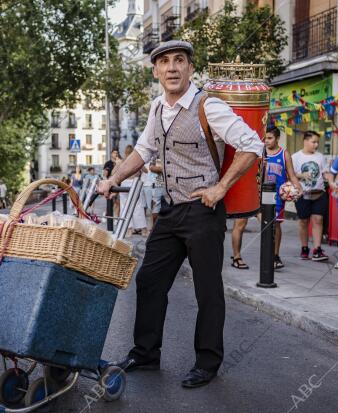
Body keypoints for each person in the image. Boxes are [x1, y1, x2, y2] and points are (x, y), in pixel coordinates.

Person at [98, 40, 263, 388]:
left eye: (179, 61)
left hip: (204, 211)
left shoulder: (208, 107)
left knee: (207, 290)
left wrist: (220, 188)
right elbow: (142, 152)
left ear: (190, 68)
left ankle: (208, 362)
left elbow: (253, 144)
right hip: (171, 211)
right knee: (149, 280)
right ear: (155, 71)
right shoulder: (157, 108)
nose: (172, 68)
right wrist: (112, 178)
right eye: (164, 62)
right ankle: (145, 352)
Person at [230, 127, 302, 270]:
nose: (266, 141)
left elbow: (292, 174)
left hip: (274, 196)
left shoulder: (284, 154)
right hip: (252, 194)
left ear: (277, 138)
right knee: (240, 224)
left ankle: (275, 256)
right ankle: (236, 257)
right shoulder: (256, 153)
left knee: (274, 226)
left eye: (270, 138)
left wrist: (297, 187)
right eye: (265, 138)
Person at [292, 131, 330, 261]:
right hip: (302, 194)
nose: (316, 145)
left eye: (317, 142)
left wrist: (331, 180)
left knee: (318, 220)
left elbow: (325, 173)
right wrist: (302, 175)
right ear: (305, 141)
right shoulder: (295, 157)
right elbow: (291, 174)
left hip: (319, 193)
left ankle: (317, 249)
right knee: (303, 221)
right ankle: (304, 248)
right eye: (313, 142)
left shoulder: (320, 157)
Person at [120, 145, 148, 236]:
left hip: (124, 184)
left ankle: (128, 229)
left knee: (125, 206)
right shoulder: (136, 161)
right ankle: (143, 229)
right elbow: (146, 171)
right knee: (138, 206)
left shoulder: (122, 161)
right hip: (134, 183)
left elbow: (114, 172)